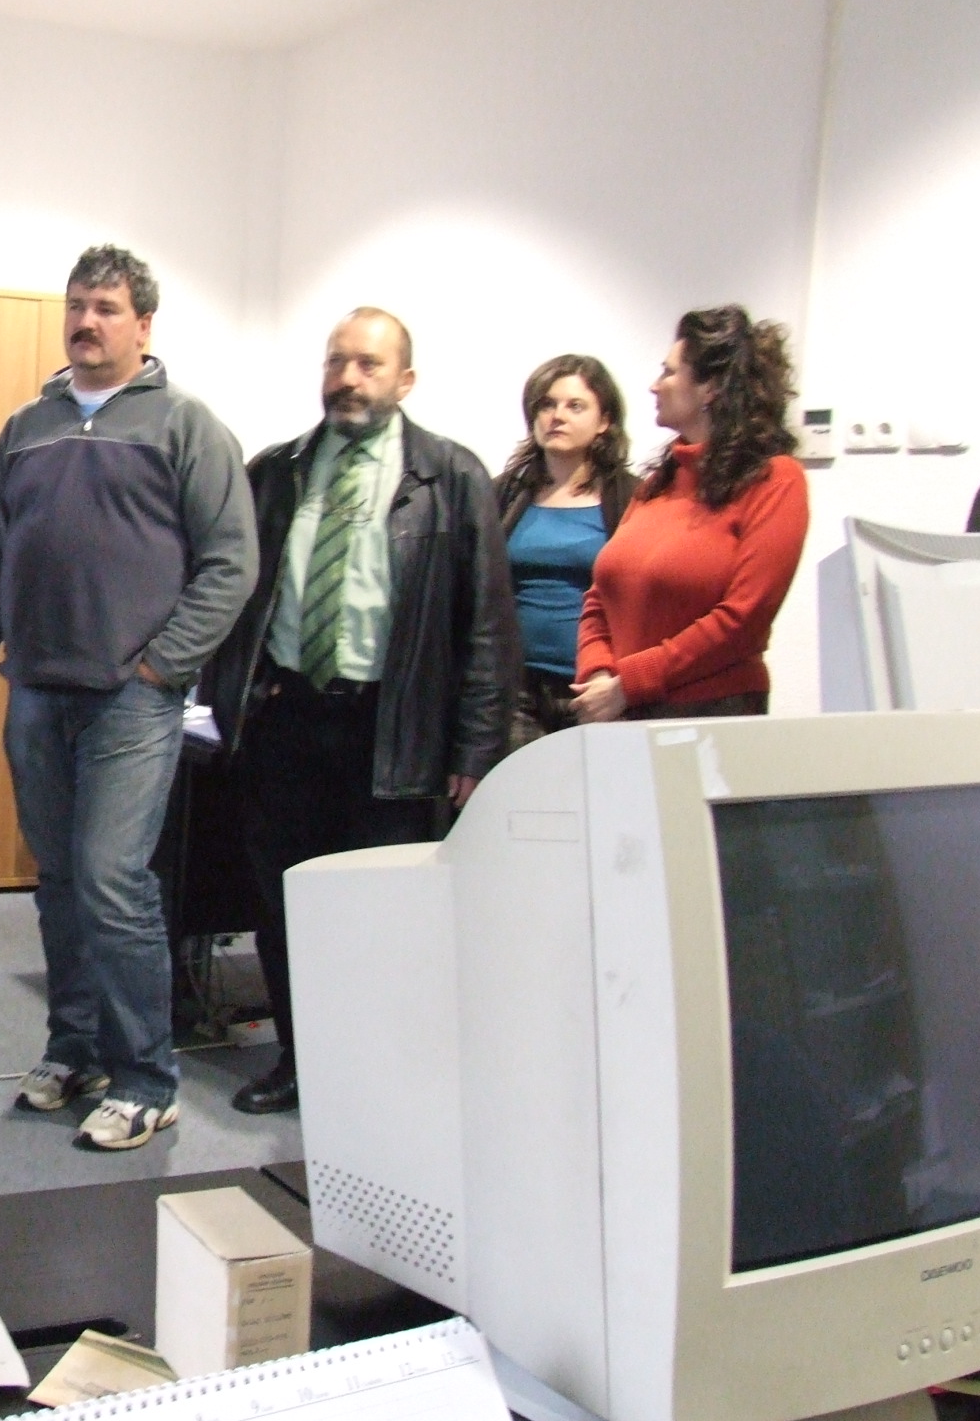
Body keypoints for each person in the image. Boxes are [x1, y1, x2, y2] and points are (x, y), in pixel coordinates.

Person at [0, 245, 255, 1152]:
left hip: (130, 701)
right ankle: (74, 1048)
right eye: (77, 305)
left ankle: (147, 1079)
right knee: (62, 882)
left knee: (114, 882)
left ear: (143, 325)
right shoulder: (25, 428)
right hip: (36, 690)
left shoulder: (187, 427)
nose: (86, 321)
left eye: (107, 308)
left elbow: (232, 563)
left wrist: (163, 665)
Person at [207, 308, 517, 1116]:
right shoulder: (277, 471)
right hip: (286, 722)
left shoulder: (451, 478)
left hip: (391, 732)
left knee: (384, 920)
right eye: (336, 361)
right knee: (286, 908)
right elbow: (235, 592)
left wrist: (475, 751)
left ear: (404, 380)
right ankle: (299, 1063)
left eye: (368, 365)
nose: (348, 379)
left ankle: (377, 1079)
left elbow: (487, 625)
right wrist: (233, 702)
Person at [573, 306, 808, 723]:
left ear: (710, 388)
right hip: (621, 709)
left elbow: (744, 619)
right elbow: (599, 597)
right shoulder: (658, 484)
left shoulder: (775, 480)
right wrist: (599, 674)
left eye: (668, 372)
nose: (654, 385)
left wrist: (631, 683)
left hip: (710, 715)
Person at [494, 355, 636, 748]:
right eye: (547, 404)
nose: (557, 416)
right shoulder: (503, 495)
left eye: (575, 406)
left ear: (604, 420)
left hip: (596, 690)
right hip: (517, 689)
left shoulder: (632, 499)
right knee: (521, 787)